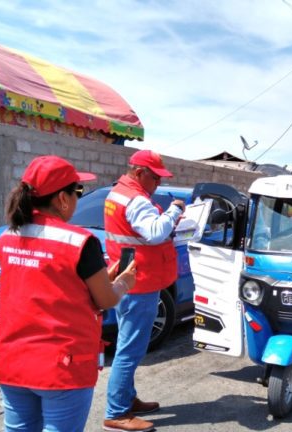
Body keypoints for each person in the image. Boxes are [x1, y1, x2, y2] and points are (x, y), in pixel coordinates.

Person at [0, 155, 137, 432]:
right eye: (77, 192)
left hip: (13, 361)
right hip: (63, 367)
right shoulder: (81, 241)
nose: (77, 199)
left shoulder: (7, 237)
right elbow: (105, 299)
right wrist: (123, 283)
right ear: (62, 198)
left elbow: (45, 284)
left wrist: (97, 281)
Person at [103, 150, 185, 432]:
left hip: (129, 278)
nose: (158, 184)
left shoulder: (118, 193)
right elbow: (154, 232)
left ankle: (127, 398)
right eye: (155, 177)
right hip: (139, 283)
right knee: (130, 350)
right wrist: (175, 211)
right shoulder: (136, 199)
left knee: (128, 343)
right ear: (140, 173)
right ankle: (116, 413)